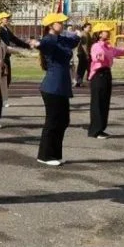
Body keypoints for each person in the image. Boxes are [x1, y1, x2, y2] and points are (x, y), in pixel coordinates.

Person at [36, 12, 80, 166]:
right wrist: (37, 44)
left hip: (61, 86)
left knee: (63, 121)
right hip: (52, 87)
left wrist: (77, 33)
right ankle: (45, 155)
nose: (63, 24)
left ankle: (55, 153)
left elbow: (75, 41)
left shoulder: (61, 38)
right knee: (53, 122)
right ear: (50, 25)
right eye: (59, 23)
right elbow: (44, 45)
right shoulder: (49, 39)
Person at [87, 23, 124, 139]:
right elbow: (96, 57)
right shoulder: (96, 45)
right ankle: (95, 130)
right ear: (99, 34)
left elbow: (122, 52)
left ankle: (101, 128)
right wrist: (99, 57)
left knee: (104, 103)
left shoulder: (108, 46)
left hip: (106, 75)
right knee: (97, 103)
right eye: (106, 31)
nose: (108, 32)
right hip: (98, 76)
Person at [0, 12, 31, 106]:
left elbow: (14, 39)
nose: (7, 19)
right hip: (2, 57)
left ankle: (1, 99)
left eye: (8, 18)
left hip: (7, 56)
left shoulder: (6, 29)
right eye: (6, 18)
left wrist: (26, 45)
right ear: (0, 19)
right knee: (2, 79)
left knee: (7, 79)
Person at [74, 23, 92, 88]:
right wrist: (87, 54)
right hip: (83, 53)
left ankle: (79, 81)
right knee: (83, 67)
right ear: (84, 28)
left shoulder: (86, 34)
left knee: (82, 67)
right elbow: (85, 46)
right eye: (88, 27)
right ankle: (79, 81)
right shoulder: (84, 34)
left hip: (82, 53)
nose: (90, 28)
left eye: (90, 27)